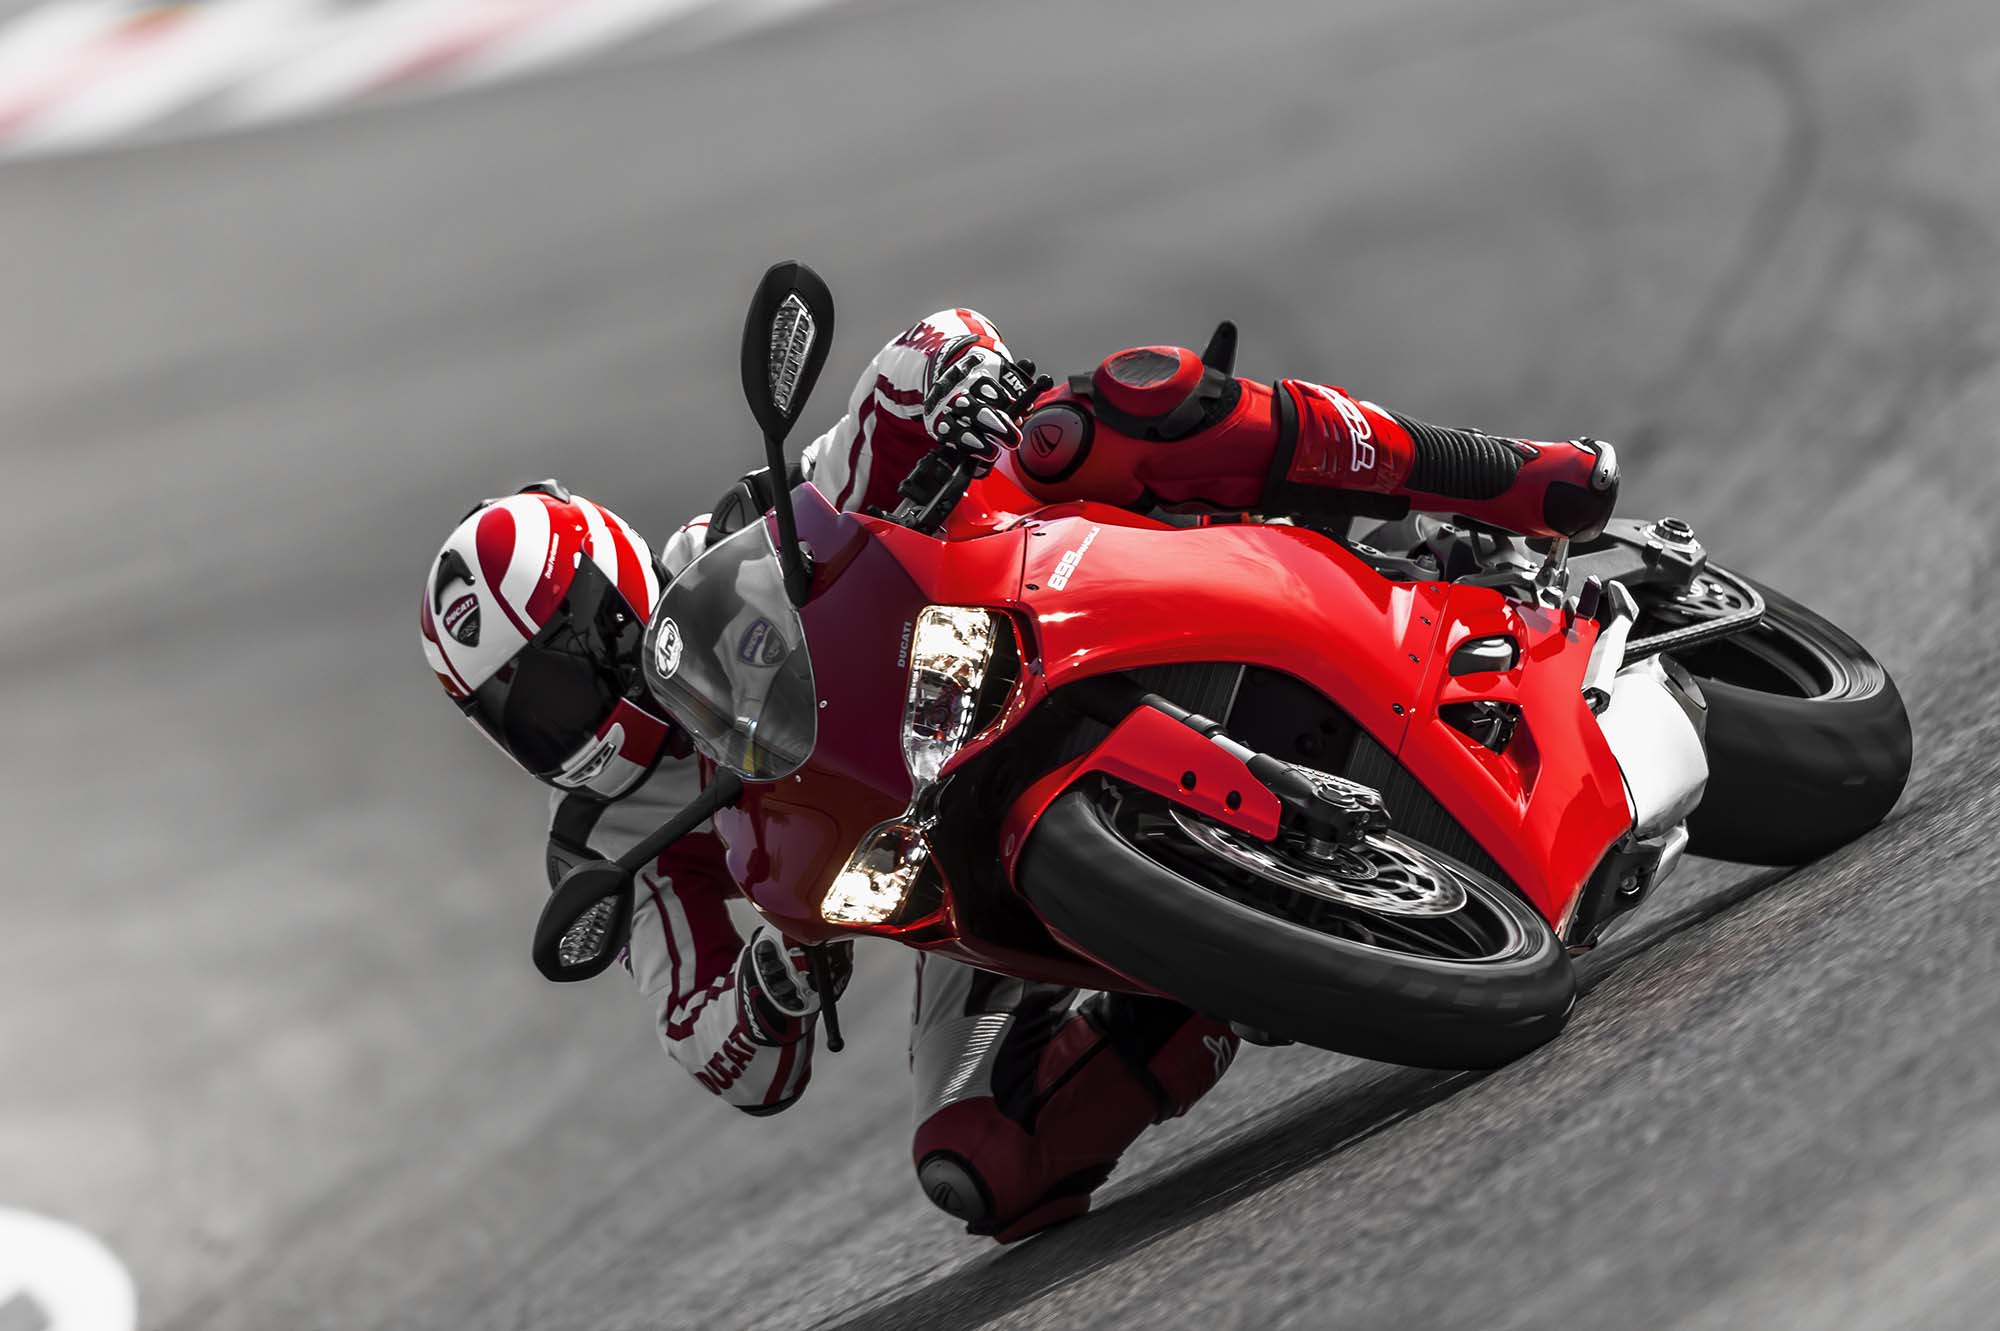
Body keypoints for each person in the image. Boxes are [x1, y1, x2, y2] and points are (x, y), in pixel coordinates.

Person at [418, 307, 1619, 1243]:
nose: (563, 725)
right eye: (521, 718)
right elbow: (715, 1042)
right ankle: (1223, 963)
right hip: (938, 864)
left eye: (558, 680)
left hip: (1018, 621)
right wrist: (773, 985)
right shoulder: (607, 843)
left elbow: (896, 384)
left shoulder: (743, 534)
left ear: (607, 604)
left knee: (1107, 412)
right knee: (985, 1162)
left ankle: (1502, 472)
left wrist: (956, 377)